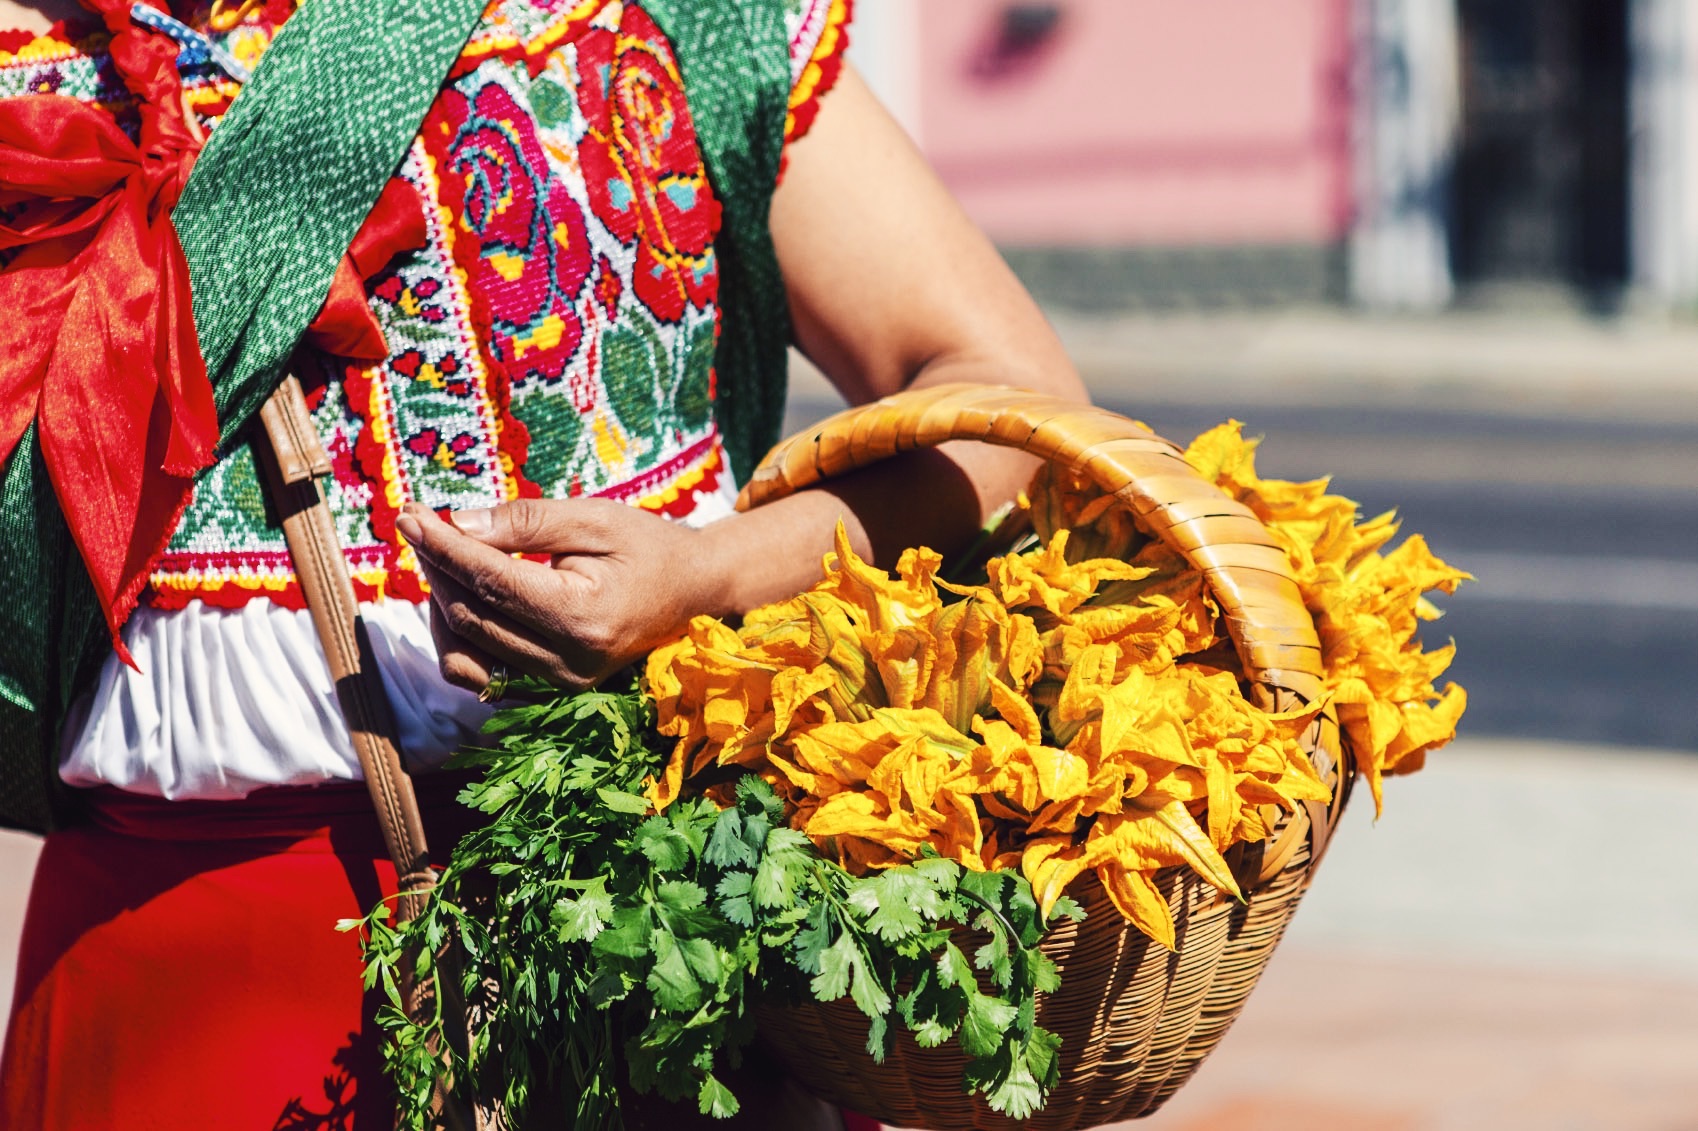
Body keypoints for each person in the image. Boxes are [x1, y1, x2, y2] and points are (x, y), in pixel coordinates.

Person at [0, 0, 1086, 1127]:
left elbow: (1007, 399)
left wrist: (710, 577)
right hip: (174, 995)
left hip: (655, 941)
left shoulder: (669, 20)